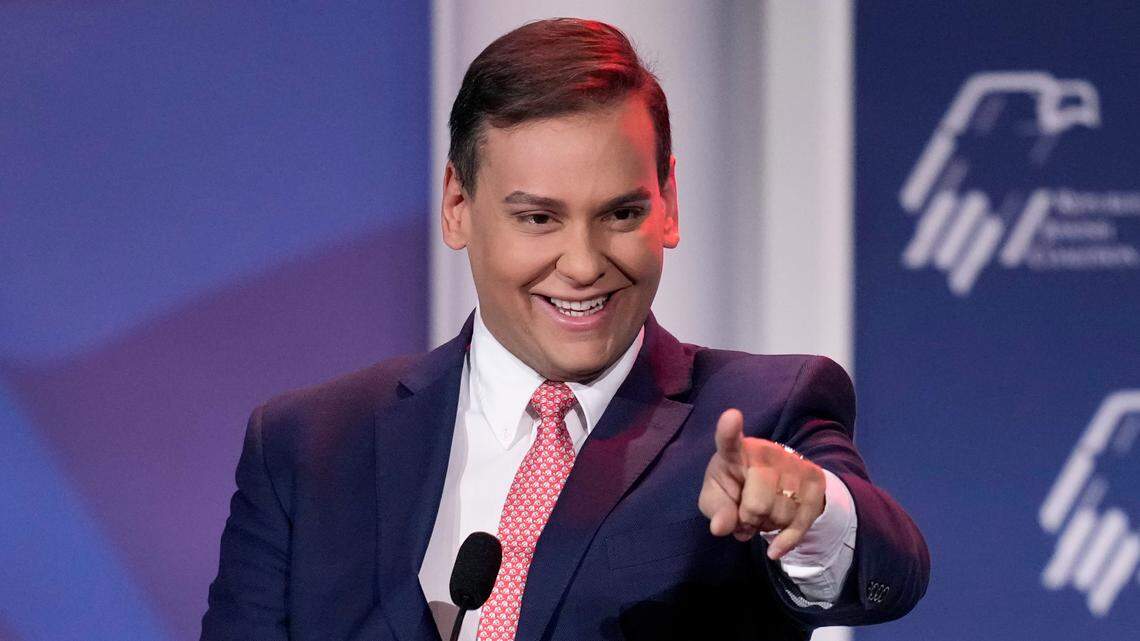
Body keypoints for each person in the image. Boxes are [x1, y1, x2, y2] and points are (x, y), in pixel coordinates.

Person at [201, 18, 928, 641]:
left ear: (668, 202)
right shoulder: (308, 446)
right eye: (539, 218)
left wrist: (809, 508)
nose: (582, 265)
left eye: (621, 213)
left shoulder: (763, 408)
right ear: (458, 205)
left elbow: (888, 565)